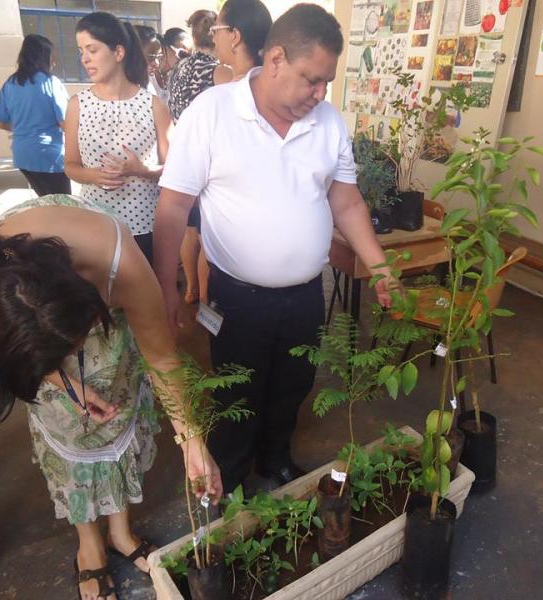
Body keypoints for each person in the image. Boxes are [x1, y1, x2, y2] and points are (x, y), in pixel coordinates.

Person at [153, 4, 393, 494]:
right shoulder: (212, 113)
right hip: (236, 296)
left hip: (305, 293)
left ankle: (276, 460)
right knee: (235, 390)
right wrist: (165, 288)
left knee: (293, 384)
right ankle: (229, 477)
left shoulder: (328, 122)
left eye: (326, 82)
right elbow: (174, 207)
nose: (320, 94)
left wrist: (381, 268)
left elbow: (347, 202)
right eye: (312, 80)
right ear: (277, 58)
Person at [0, 194, 222, 600]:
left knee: (119, 402)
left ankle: (120, 533)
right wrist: (61, 381)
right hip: (42, 355)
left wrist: (192, 442)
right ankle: (89, 544)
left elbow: (161, 358)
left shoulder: (120, 263)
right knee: (65, 427)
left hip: (94, 301)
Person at [64, 12, 169, 266]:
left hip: (144, 225)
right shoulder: (78, 105)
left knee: (143, 289)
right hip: (96, 225)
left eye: (92, 50)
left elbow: (174, 171)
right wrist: (92, 175)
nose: (85, 59)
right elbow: (71, 165)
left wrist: (141, 170)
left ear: (118, 52)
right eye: (81, 51)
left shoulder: (153, 105)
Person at [168, 9, 233, 305]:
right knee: (208, 235)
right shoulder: (218, 71)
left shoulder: (178, 68)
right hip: (209, 159)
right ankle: (206, 298)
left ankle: (191, 289)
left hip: (181, 156)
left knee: (189, 229)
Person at [0, 34, 71, 197]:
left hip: (22, 155)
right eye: (52, 57)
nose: (54, 62)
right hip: (49, 154)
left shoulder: (10, 83)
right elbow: (65, 123)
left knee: (45, 200)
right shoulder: (51, 82)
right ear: (44, 57)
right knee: (64, 203)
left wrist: (24, 126)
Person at [212, 0, 272, 81]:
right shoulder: (272, 83)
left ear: (235, 36)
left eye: (215, 30)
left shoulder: (232, 88)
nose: (213, 39)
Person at [156, 27, 191, 108]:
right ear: (167, 49)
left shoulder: (181, 78)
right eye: (182, 53)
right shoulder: (149, 75)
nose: (187, 60)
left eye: (190, 56)